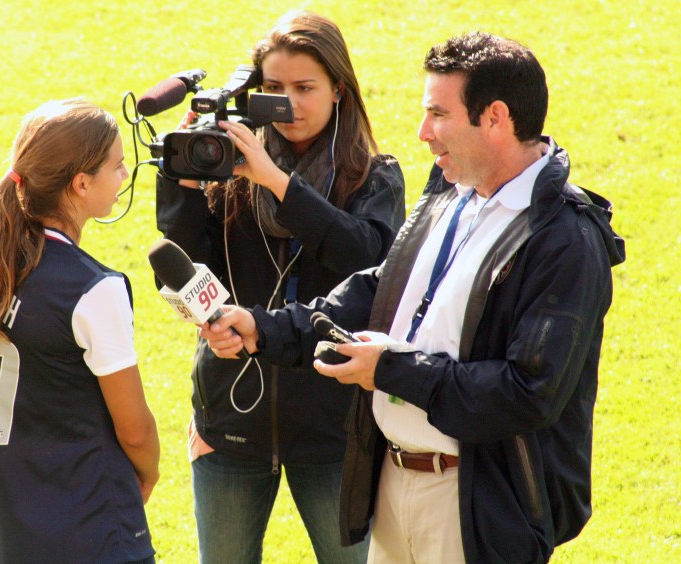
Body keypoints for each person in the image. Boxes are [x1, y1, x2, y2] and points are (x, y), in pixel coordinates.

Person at [200, 32, 626, 563]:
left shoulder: (566, 239)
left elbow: (527, 392)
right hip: (393, 485)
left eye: (438, 115)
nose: (423, 132)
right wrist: (266, 329)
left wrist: (392, 369)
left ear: (495, 118)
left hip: (474, 506)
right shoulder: (451, 187)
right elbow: (385, 287)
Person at [155, 10, 405, 563]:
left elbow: (367, 262)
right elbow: (183, 272)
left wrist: (273, 177)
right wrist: (184, 188)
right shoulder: (226, 170)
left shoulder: (375, 176)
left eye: (304, 87)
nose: (287, 102)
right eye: (272, 88)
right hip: (230, 421)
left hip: (333, 431)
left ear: (339, 89)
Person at [0, 98, 160, 563]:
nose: (126, 176)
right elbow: (135, 430)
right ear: (80, 183)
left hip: (11, 522)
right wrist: (148, 473)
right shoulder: (94, 289)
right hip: (91, 522)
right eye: (116, 166)